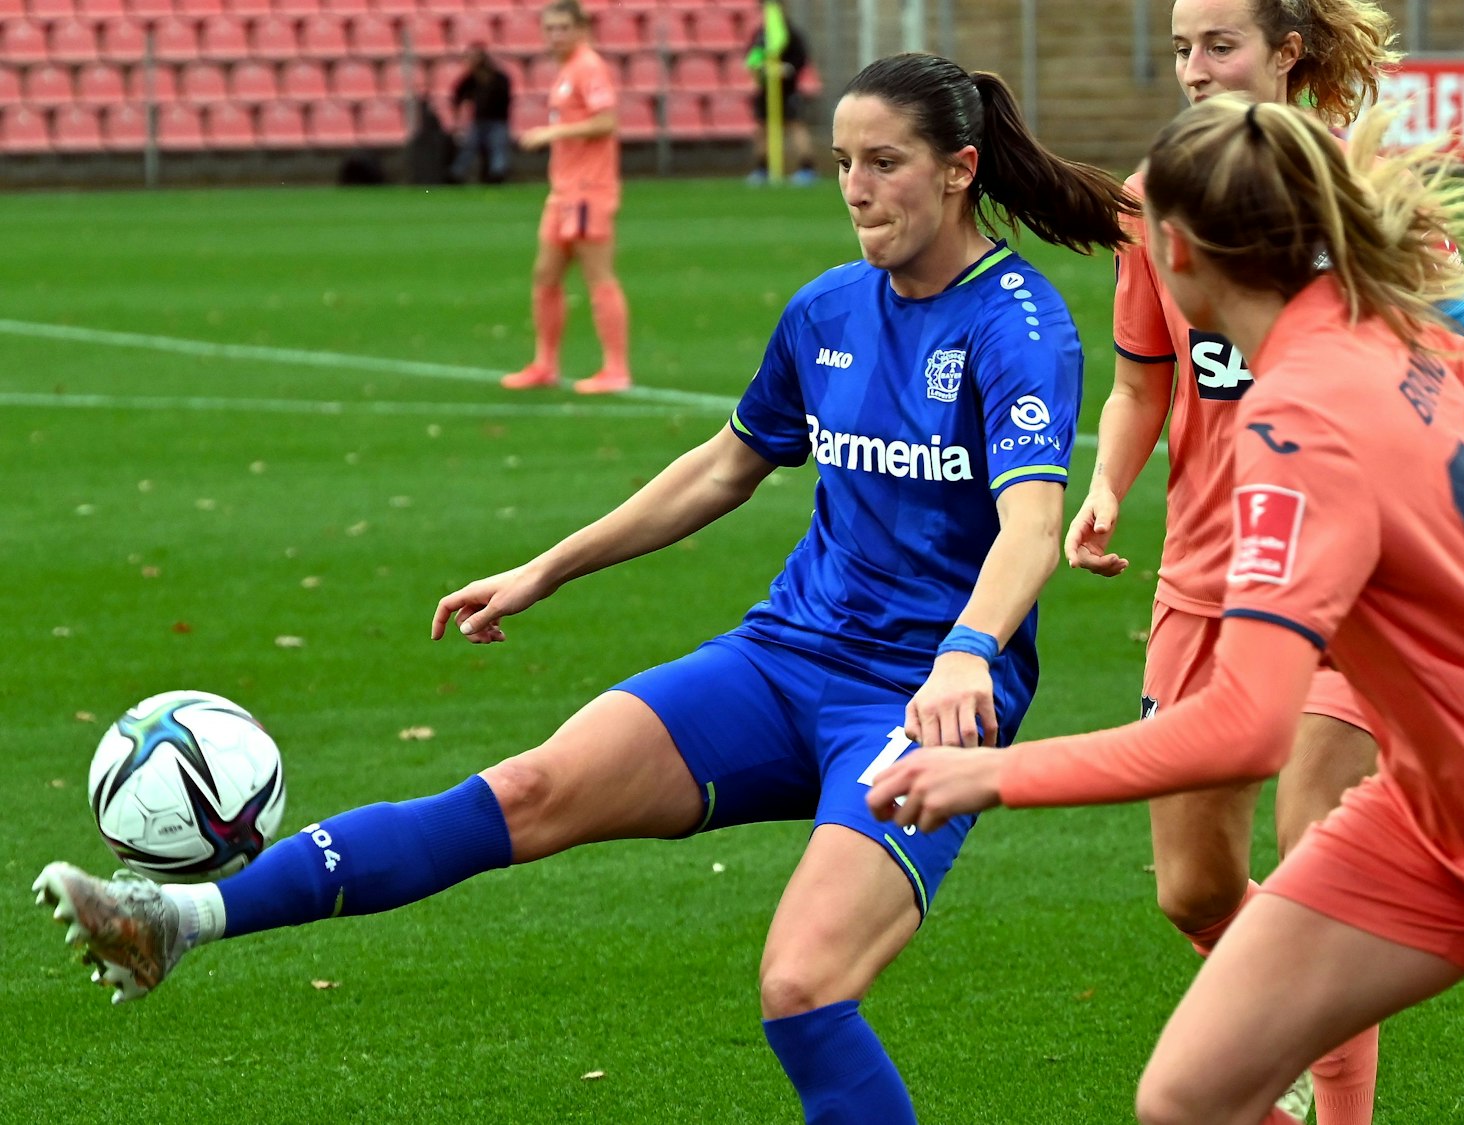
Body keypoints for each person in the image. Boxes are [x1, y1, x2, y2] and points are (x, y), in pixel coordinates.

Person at [33, 52, 1135, 1125]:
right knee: (524, 792)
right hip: (782, 655)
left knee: (802, 988)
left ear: (957, 168)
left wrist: (964, 654)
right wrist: (546, 568)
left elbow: (1028, 527)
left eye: (884, 163)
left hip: (917, 702)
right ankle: (174, 916)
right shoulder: (827, 310)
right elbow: (721, 466)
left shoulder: (1016, 325)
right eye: (844, 161)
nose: (855, 188)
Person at [869, 96, 1464, 1125]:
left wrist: (992, 773)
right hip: (1421, 809)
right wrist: (1401, 565)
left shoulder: (1293, 415)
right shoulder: (1390, 331)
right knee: (1189, 1095)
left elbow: (1246, 729)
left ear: (1179, 253)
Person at [1064, 1, 1464, 1119]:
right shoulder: (1154, 200)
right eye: (1182, 47)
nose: (1194, 69)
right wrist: (1105, 484)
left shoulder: (1367, 193)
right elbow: (1145, 378)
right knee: (1193, 891)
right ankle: (1275, 1025)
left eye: (1219, 45)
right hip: (1203, 584)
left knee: (1311, 865)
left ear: (1287, 52)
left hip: (1351, 584)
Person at [503, 0, 631, 395]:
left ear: (581, 29)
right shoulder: (568, 71)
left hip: (588, 190)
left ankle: (615, 369)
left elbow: (607, 121)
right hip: (564, 191)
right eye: (549, 28)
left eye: (562, 27)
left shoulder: (589, 67)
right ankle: (545, 363)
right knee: (545, 274)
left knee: (598, 275)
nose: (554, 35)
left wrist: (550, 133)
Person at [745, 1, 818, 186]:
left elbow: (800, 59)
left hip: (788, 90)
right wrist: (761, 67)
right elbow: (753, 57)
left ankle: (806, 168)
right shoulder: (761, 34)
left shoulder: (791, 34)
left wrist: (787, 68)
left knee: (795, 127)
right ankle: (762, 168)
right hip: (766, 90)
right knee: (763, 130)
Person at [449, 44, 514, 184]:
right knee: (469, 148)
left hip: (498, 120)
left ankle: (497, 174)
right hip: (479, 120)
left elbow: (505, 98)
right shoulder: (471, 79)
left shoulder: (499, 78)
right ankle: (456, 174)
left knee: (497, 148)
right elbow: (457, 94)